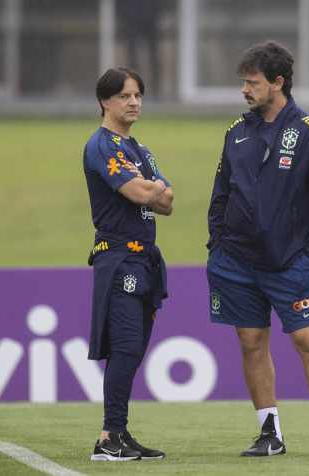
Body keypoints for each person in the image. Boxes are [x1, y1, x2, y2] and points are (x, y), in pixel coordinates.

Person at [206, 41, 309, 458]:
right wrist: (217, 244)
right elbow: (220, 194)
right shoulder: (235, 133)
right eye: (243, 82)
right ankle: (269, 430)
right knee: (250, 340)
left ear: (278, 83)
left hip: (290, 263)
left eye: (252, 82)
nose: (244, 90)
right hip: (235, 261)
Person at [83, 67, 173, 462]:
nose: (133, 102)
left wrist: (150, 189)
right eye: (124, 96)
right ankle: (107, 438)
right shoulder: (102, 146)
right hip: (119, 257)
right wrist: (149, 188)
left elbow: (167, 203)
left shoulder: (141, 150)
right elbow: (140, 192)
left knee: (134, 350)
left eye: (138, 95)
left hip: (145, 259)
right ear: (105, 101)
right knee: (124, 346)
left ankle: (119, 431)